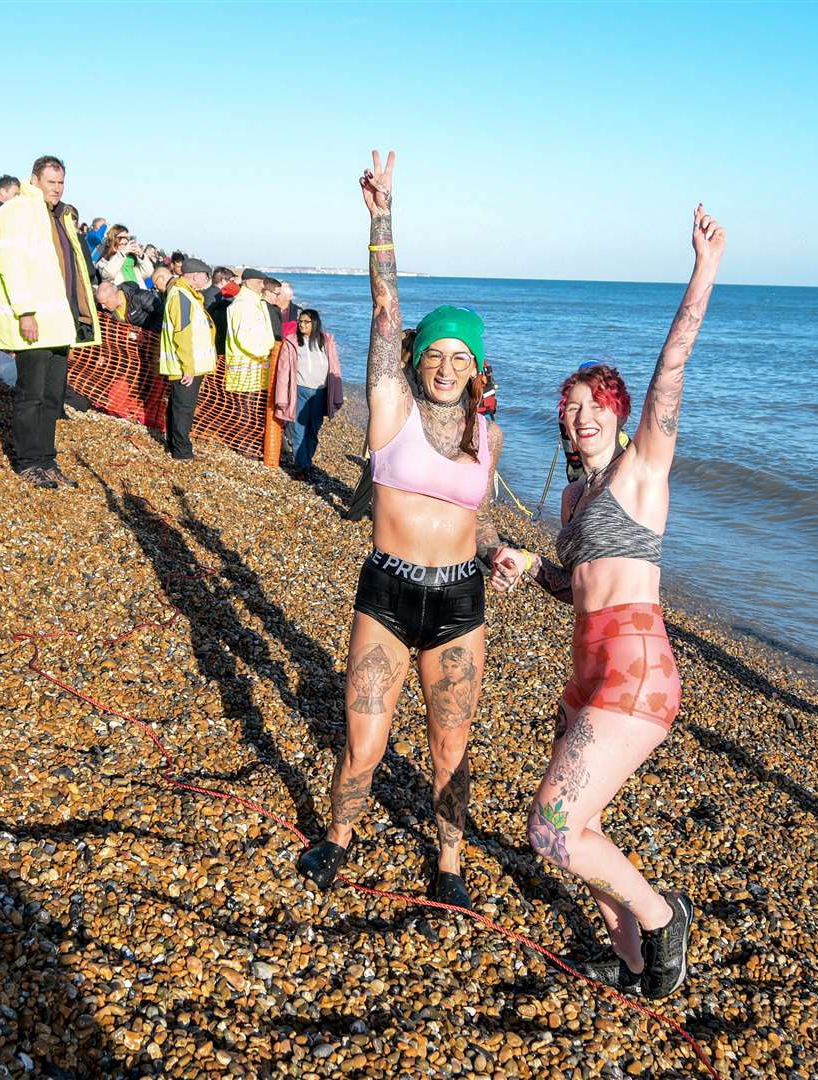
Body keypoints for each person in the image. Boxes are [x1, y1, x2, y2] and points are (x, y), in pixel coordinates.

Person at [487, 204, 725, 1000]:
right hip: (586, 670)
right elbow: (575, 587)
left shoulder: (640, 472)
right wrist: (529, 567)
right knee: (576, 826)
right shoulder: (575, 501)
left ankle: (661, 923)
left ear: (620, 414)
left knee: (549, 831)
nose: (579, 416)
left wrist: (703, 270)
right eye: (568, 405)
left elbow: (672, 371)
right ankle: (628, 960)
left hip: (636, 671)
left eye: (594, 404)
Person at [297, 151, 508, 915]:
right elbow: (387, 310)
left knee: (450, 745)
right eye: (438, 354)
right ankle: (338, 837)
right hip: (387, 591)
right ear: (417, 359)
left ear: (477, 368)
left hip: (459, 601)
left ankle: (449, 861)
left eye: (463, 357)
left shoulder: (488, 438)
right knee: (366, 739)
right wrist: (382, 216)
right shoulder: (391, 407)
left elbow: (469, 519)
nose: (448, 366)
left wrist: (495, 553)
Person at [0, 155, 101, 490]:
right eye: (51, 181)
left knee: (52, 396)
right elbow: (11, 262)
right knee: (31, 394)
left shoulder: (59, 216)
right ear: (34, 179)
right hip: (35, 319)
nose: (57, 188)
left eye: (61, 182)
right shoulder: (17, 210)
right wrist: (25, 311)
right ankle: (28, 461)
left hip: (59, 322)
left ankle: (46, 459)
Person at [273, 307, 344, 479]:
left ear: (315, 323)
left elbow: (335, 367)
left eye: (306, 322)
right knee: (298, 429)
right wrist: (281, 397)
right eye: (300, 321)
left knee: (313, 430)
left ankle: (306, 461)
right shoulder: (292, 342)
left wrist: (337, 394)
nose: (302, 324)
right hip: (299, 390)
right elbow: (283, 371)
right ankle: (301, 467)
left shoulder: (325, 341)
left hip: (320, 392)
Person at [159, 257, 216, 461]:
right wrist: (188, 367)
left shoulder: (185, 295)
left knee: (179, 406)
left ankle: (176, 445)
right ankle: (182, 451)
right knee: (184, 408)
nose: (206, 281)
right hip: (185, 366)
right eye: (204, 276)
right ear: (193, 276)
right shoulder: (182, 296)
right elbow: (182, 334)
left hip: (186, 364)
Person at [224, 268, 276, 391]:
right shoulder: (243, 304)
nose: (262, 285)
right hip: (245, 377)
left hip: (257, 374)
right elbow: (243, 338)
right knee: (244, 410)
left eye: (263, 282)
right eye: (259, 282)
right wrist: (266, 352)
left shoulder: (256, 302)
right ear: (247, 282)